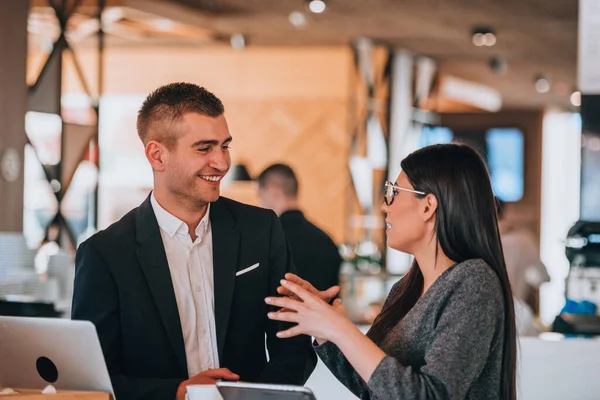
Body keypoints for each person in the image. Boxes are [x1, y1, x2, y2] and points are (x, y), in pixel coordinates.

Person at [71, 83, 316, 400]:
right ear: (157, 155)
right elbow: (94, 380)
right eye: (204, 149)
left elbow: (294, 347)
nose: (222, 162)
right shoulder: (104, 254)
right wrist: (177, 393)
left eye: (224, 146)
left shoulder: (262, 230)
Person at [267, 144, 517, 399]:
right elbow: (374, 388)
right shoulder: (405, 288)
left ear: (428, 206)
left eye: (393, 192)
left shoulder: (474, 283)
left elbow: (431, 395)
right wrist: (327, 331)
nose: (385, 206)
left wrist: (341, 329)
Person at [257, 163, 341, 291]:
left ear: (273, 190)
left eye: (260, 196)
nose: (260, 203)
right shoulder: (326, 240)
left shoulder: (267, 239)